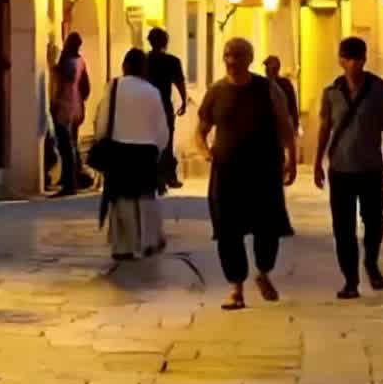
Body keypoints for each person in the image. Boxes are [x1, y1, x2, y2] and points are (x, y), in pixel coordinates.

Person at [197, 36, 297, 310]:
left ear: (249, 59)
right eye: (228, 55)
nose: (232, 61)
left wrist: (291, 158)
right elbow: (201, 129)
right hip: (227, 172)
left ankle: (263, 271)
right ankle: (236, 289)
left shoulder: (267, 89)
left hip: (263, 171)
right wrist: (205, 151)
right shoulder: (216, 91)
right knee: (228, 231)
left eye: (239, 55)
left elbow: (284, 123)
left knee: (268, 228)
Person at [314, 36, 383, 300]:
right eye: (348, 58)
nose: (353, 64)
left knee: (374, 222)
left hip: (370, 166)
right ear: (340, 60)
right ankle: (350, 279)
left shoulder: (379, 89)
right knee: (343, 227)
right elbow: (325, 127)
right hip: (341, 168)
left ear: (364, 59)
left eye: (358, 59)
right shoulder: (331, 93)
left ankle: (371, 261)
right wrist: (317, 162)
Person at [91, 47, 169, 261]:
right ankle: (149, 240)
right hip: (145, 152)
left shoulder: (114, 86)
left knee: (121, 200)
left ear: (124, 66)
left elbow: (103, 119)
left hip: (119, 151)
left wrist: (100, 140)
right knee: (145, 197)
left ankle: (123, 246)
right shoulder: (153, 91)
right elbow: (161, 129)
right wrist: (158, 150)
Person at [49, 31, 91, 195]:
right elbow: (86, 88)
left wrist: (55, 104)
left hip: (64, 108)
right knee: (72, 145)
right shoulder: (81, 62)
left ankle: (69, 184)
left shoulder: (66, 62)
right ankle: (71, 180)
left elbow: (61, 84)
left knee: (66, 147)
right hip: (76, 108)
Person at [145, 25, 187, 189]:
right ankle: (168, 176)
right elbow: (179, 82)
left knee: (149, 142)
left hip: (147, 106)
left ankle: (152, 176)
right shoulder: (172, 61)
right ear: (165, 43)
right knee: (167, 141)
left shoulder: (145, 60)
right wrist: (183, 101)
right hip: (164, 106)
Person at [264, 55, 299, 146]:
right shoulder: (263, 84)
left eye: (271, 68)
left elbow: (292, 106)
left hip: (281, 125)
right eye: (267, 67)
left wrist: (295, 125)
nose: (268, 70)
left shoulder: (285, 83)